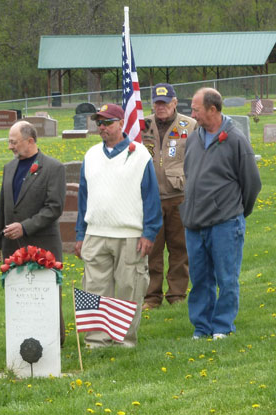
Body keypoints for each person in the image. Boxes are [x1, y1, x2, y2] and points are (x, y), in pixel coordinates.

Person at [75, 104, 162, 348]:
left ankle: (124, 340)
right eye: (98, 122)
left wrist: (149, 232)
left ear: (121, 123)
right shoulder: (91, 155)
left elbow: (151, 198)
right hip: (95, 233)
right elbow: (84, 198)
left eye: (108, 122)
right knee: (94, 289)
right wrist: (80, 234)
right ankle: (96, 341)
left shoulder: (140, 154)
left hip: (130, 234)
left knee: (128, 288)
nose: (102, 127)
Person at [180, 88, 261, 340]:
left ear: (212, 109)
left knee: (227, 278)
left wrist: (236, 212)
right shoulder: (193, 138)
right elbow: (189, 174)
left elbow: (252, 183)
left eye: (196, 109)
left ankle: (222, 326)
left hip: (225, 223)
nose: (192, 114)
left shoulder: (235, 139)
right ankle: (202, 327)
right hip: (194, 222)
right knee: (200, 279)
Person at [0, 120, 66, 344]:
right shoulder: (9, 167)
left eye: (13, 142)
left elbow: (54, 208)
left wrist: (24, 227)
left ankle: (53, 340)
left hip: (43, 244)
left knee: (46, 295)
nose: (10, 147)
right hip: (11, 245)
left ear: (30, 141)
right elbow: (3, 206)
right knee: (18, 296)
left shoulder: (53, 168)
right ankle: (21, 338)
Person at [141, 83, 196, 310]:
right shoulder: (141, 124)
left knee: (179, 248)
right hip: (150, 198)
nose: (160, 107)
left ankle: (177, 295)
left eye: (165, 103)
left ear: (174, 103)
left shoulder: (189, 125)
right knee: (151, 249)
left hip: (179, 196)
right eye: (156, 103)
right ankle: (152, 297)